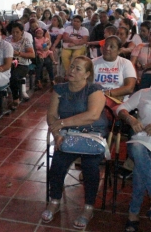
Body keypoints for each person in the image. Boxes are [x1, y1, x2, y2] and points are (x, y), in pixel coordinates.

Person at [41, 55, 108, 230]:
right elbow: (51, 115)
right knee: (57, 164)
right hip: (69, 135)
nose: (71, 71)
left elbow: (92, 116)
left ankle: (88, 208)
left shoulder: (94, 89)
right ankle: (54, 201)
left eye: (78, 69)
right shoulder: (60, 89)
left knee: (90, 168)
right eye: (71, 67)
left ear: (87, 74)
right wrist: (57, 135)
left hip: (92, 135)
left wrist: (62, 123)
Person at [116, 69, 151, 232]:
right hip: (141, 141)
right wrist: (130, 118)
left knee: (141, 169)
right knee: (139, 149)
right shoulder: (143, 93)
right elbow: (120, 108)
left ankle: (133, 213)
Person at [93, 35, 136, 105]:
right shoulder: (93, 63)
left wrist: (107, 93)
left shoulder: (126, 63)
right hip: (96, 100)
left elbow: (129, 88)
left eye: (112, 47)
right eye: (105, 45)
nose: (107, 48)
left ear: (119, 51)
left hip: (118, 101)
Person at [5, 22, 35, 109]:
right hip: (9, 62)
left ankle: (16, 98)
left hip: (22, 64)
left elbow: (32, 55)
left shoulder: (25, 41)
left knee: (13, 76)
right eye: (13, 32)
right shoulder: (7, 40)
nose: (14, 34)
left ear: (22, 32)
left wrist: (18, 53)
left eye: (17, 32)